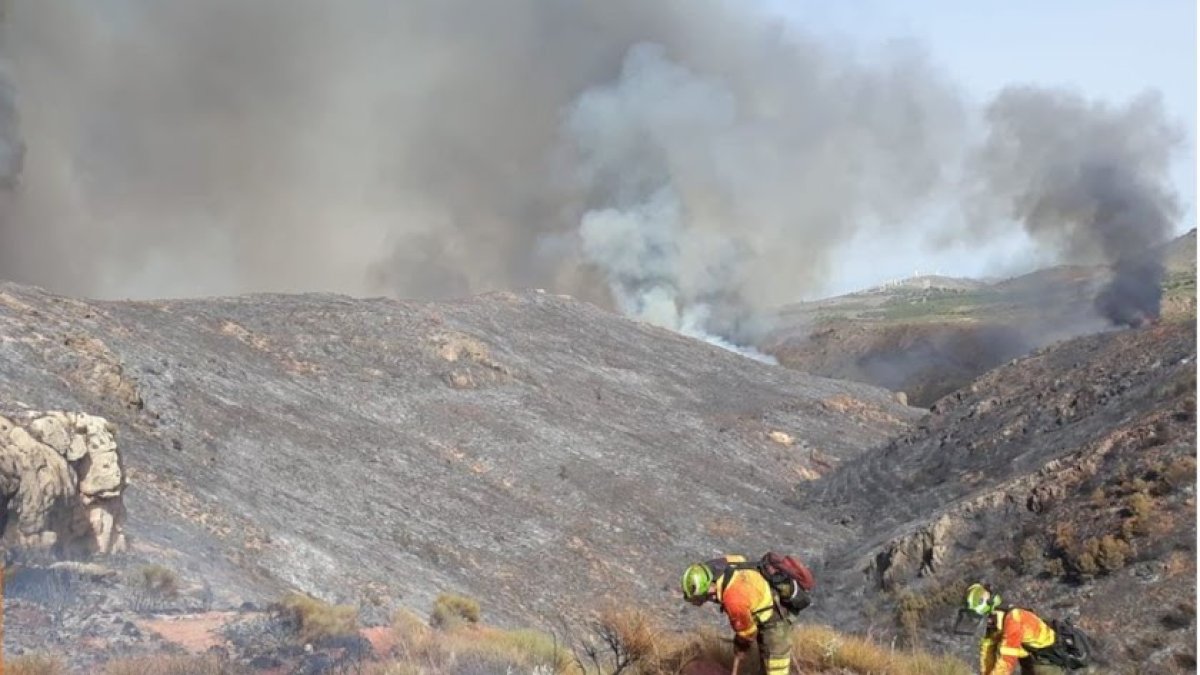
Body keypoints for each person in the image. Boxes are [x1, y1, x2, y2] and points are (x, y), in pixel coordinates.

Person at [680, 555, 792, 675]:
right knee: (765, 666)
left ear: (707, 589)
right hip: (766, 600)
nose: (700, 603)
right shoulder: (721, 566)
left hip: (774, 619)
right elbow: (740, 558)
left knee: (777, 670)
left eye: (699, 599)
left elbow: (748, 633)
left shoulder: (734, 599)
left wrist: (739, 647)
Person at [964, 582, 1063, 675]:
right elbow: (987, 650)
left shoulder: (1013, 619)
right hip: (1030, 657)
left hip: (1047, 658)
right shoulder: (997, 619)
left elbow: (1007, 659)